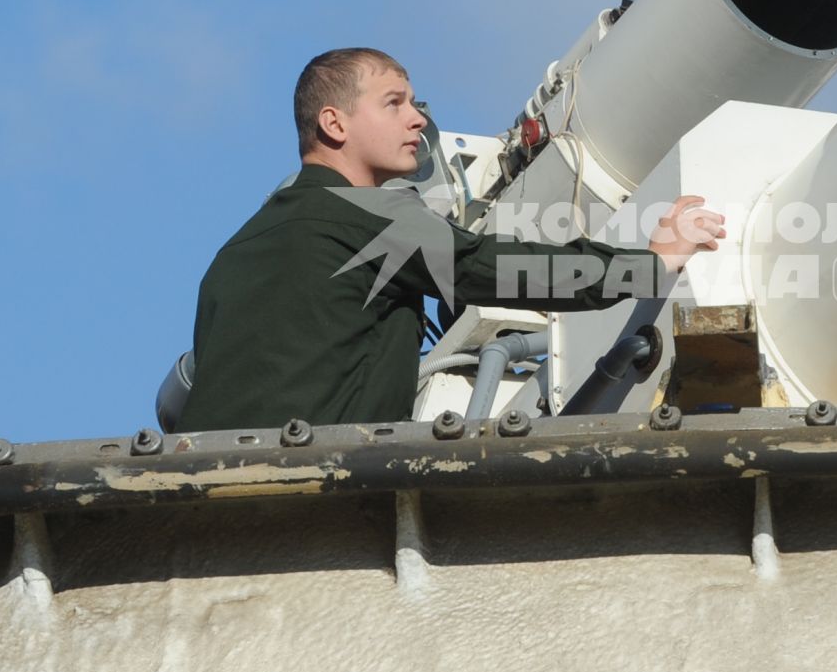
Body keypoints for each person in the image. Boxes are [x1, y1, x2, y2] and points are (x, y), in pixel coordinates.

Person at [178, 47, 723, 431]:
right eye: (394, 103)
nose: (417, 119)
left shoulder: (233, 255)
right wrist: (648, 263)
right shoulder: (367, 215)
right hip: (319, 504)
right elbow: (492, 268)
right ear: (334, 124)